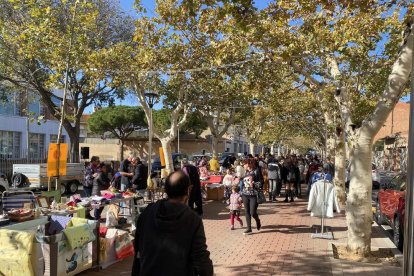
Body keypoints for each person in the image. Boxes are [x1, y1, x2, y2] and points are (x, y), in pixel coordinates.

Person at [132, 171, 213, 276]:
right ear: (188, 190)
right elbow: (201, 259)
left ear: (166, 189)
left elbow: (138, 248)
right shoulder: (193, 219)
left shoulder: (148, 212)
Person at [241, 158, 262, 235]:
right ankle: (249, 228)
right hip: (245, 194)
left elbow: (261, 182)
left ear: (249, 164)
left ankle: (257, 220)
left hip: (253, 195)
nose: (243, 165)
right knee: (247, 212)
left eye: (244, 164)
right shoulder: (246, 172)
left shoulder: (256, 171)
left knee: (252, 212)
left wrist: (254, 184)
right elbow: (243, 183)